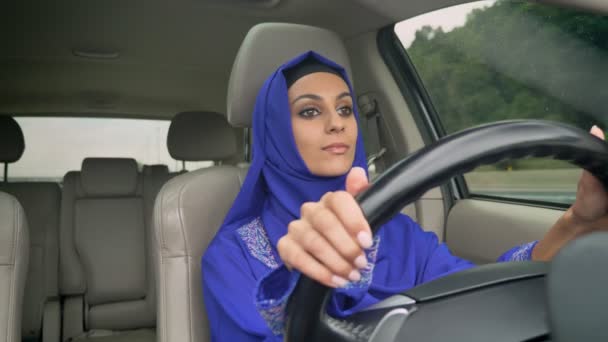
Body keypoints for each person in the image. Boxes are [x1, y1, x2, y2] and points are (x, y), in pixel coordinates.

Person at [202, 51, 608, 341]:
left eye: (345, 109)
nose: (336, 124)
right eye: (310, 111)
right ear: (274, 133)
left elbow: (481, 289)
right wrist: (299, 285)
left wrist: (580, 221)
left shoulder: (396, 232)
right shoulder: (230, 255)